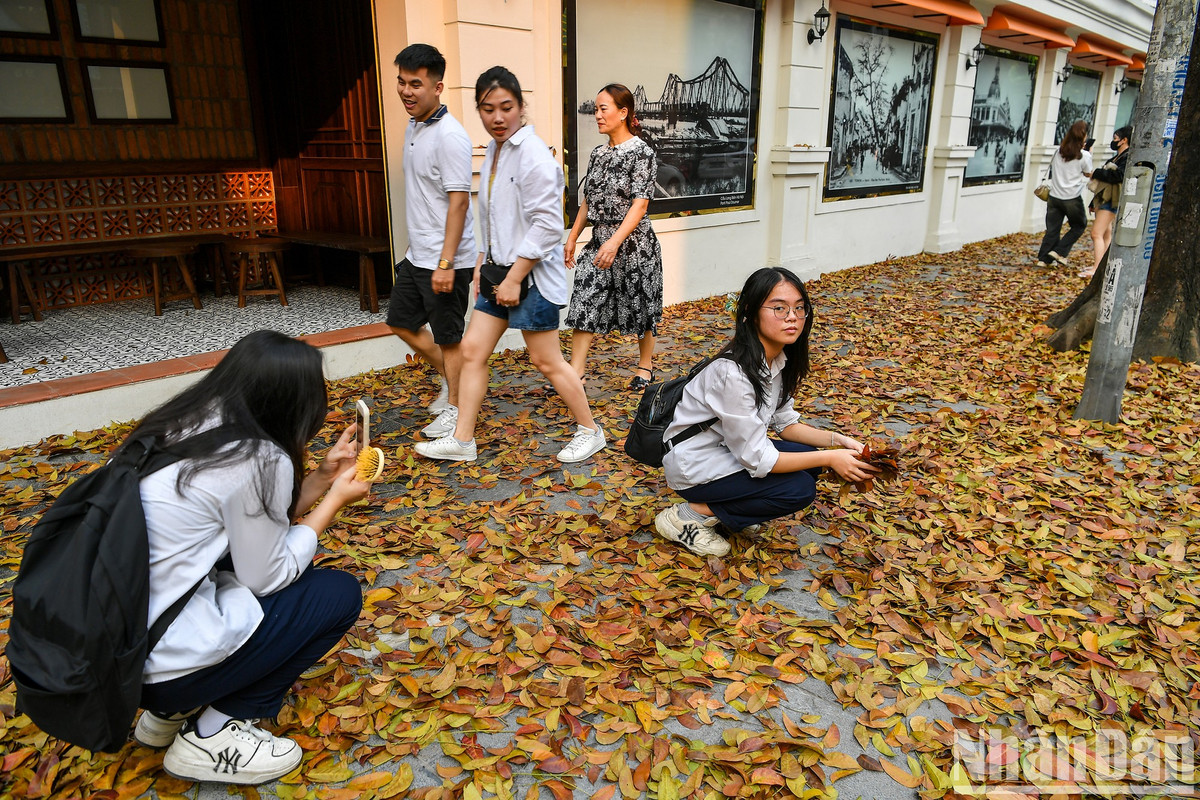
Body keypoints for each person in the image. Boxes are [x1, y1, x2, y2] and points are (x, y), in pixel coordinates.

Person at [129, 330, 370, 785]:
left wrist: (319, 479)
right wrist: (334, 503)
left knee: (292, 566)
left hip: (121, 651)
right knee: (333, 593)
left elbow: (247, 527)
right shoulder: (255, 457)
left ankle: (168, 712)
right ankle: (213, 731)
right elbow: (269, 574)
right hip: (162, 658)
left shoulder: (178, 425)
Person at [414, 67, 607, 464]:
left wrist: (515, 276)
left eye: (506, 107)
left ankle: (591, 430)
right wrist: (483, 264)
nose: (497, 117)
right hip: (499, 272)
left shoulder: (533, 154)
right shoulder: (495, 151)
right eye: (488, 109)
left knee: (545, 360)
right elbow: (494, 215)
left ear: (521, 107)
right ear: (479, 111)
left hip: (530, 275)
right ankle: (463, 439)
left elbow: (549, 225)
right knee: (471, 351)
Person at [655, 267, 878, 558]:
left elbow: (786, 424)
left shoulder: (777, 359)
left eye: (800, 308)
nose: (792, 317)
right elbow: (758, 458)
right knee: (799, 489)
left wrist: (839, 442)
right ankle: (689, 516)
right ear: (750, 311)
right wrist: (830, 458)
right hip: (695, 465)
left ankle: (726, 513)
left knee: (806, 458)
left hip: (725, 452)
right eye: (779, 308)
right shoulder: (733, 373)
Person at [384, 44, 478, 439]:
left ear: (438, 87)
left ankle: (458, 412)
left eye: (416, 84)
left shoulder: (450, 136)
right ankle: (453, 382)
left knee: (449, 338)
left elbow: (459, 203)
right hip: (417, 255)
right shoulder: (413, 125)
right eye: (402, 83)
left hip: (446, 259)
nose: (407, 92)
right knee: (401, 322)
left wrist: (445, 263)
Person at [564, 83, 663, 390]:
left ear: (623, 113)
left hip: (635, 244)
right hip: (599, 241)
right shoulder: (597, 154)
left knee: (642, 305)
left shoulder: (643, 153)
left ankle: (645, 367)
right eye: (595, 109)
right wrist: (573, 236)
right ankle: (575, 373)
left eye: (602, 108)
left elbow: (640, 203)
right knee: (584, 297)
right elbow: (588, 201)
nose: (597, 115)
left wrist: (615, 241)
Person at [1035, 120, 1093, 269]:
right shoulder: (1084, 155)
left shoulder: (1058, 152)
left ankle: (1044, 259)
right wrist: (1089, 153)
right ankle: (1059, 251)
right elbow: (1088, 174)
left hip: (1054, 196)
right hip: (1072, 197)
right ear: (1083, 137)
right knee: (1079, 225)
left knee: (1052, 229)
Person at [1086, 125, 1132, 279]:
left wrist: (1097, 172)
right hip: (1104, 199)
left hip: (1112, 201)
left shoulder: (1127, 158)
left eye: (1115, 138)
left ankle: (1096, 268)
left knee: (1096, 233)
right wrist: (1094, 203)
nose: (1113, 141)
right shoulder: (1116, 157)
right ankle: (1101, 267)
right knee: (1105, 234)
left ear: (1124, 140)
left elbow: (1118, 176)